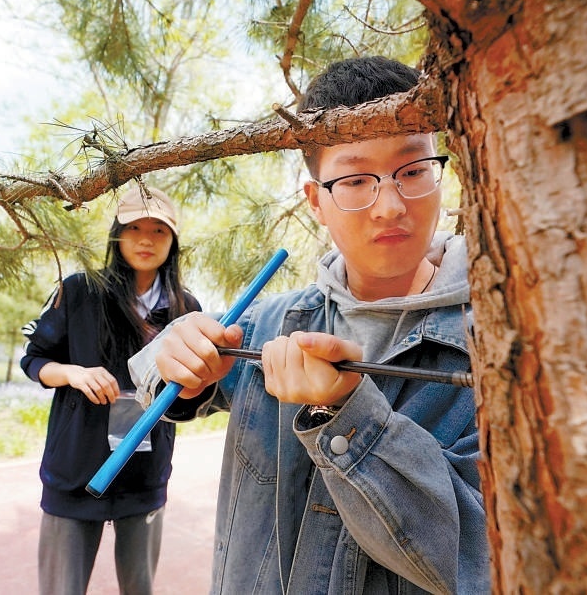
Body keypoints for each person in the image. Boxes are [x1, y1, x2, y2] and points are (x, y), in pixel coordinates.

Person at [130, 56, 489, 593]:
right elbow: (149, 371)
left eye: (412, 170)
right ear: (316, 200)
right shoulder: (273, 320)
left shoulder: (496, 348)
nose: (389, 206)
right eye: (355, 179)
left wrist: (348, 414)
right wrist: (174, 359)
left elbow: (475, 558)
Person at [20, 185, 202, 595]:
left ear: (173, 241)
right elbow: (34, 360)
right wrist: (73, 374)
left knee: (140, 587)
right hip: (75, 468)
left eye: (159, 230)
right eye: (133, 227)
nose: (144, 239)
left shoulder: (185, 309)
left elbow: (194, 395)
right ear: (116, 235)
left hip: (144, 475)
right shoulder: (79, 291)